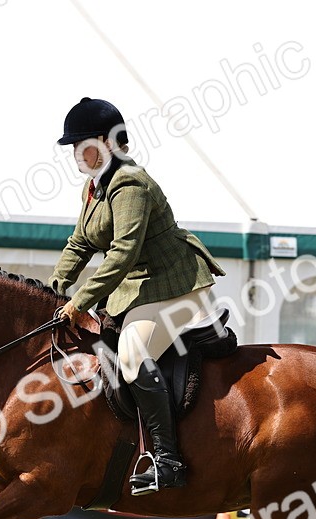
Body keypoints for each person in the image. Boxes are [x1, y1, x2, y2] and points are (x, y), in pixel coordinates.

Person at [50, 97, 226, 496]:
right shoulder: (94, 187)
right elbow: (80, 243)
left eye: (80, 145)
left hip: (176, 284)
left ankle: (168, 462)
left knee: (131, 357)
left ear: (105, 142)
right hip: (137, 288)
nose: (75, 154)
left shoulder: (129, 183)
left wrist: (79, 301)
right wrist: (54, 288)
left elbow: (123, 253)